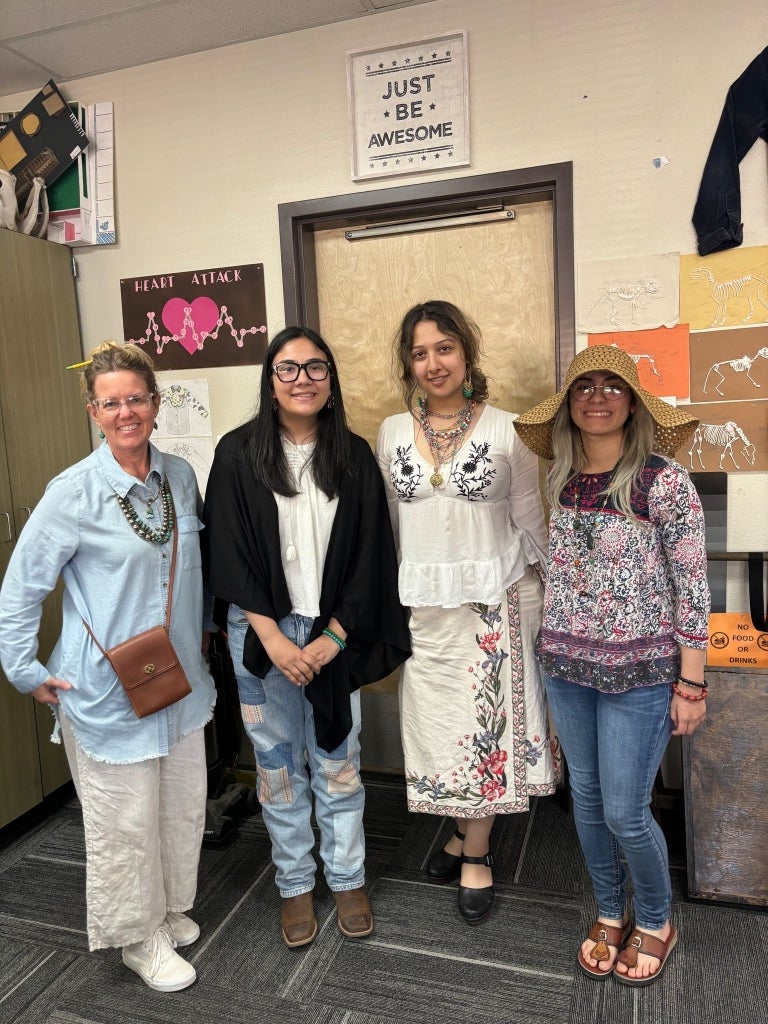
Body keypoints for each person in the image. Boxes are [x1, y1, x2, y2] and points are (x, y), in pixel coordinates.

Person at [0, 342, 216, 992]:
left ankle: (169, 910)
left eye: (137, 399)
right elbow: (20, 588)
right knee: (124, 823)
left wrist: (205, 639)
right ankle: (136, 938)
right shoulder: (73, 492)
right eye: (112, 402)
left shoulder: (179, 475)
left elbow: (191, 572)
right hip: (106, 690)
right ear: (94, 410)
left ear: (156, 404)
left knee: (181, 808)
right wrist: (25, 669)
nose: (127, 412)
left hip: (175, 683)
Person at [203, 326, 410, 949]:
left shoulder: (352, 455)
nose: (302, 379)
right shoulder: (237, 453)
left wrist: (332, 641)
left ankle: (347, 877)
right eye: (288, 369)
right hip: (260, 635)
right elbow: (229, 554)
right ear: (270, 382)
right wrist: (272, 638)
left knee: (338, 761)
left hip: (330, 634)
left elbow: (373, 557)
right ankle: (294, 883)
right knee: (275, 764)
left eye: (315, 368)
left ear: (331, 381)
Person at [513, 344, 710, 986]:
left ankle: (653, 918)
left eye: (612, 387)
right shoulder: (562, 480)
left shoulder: (664, 481)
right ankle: (607, 908)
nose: (597, 397)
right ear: (569, 406)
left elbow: (692, 588)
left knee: (627, 809)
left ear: (632, 403)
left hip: (643, 676)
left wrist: (692, 683)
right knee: (589, 802)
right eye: (583, 388)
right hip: (567, 668)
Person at [376, 300, 560, 926]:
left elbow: (531, 526)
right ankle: (460, 833)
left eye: (445, 348)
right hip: (425, 609)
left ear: (467, 354)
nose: (433, 363)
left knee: (483, 730)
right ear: (408, 362)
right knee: (441, 727)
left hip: (493, 603)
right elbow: (394, 530)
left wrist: (547, 611)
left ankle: (476, 851)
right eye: (420, 352)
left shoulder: (511, 429)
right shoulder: (391, 432)